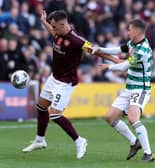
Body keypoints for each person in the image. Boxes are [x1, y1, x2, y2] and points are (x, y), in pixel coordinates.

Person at [22, 10, 116, 159]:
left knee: (55, 114)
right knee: (41, 106)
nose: (52, 28)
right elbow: (52, 32)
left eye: (54, 26)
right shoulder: (58, 33)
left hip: (65, 82)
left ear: (62, 24)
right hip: (54, 78)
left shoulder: (76, 40)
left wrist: (116, 61)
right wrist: (43, 22)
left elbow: (96, 51)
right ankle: (40, 140)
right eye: (51, 25)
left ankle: (80, 141)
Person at [91, 19, 155, 162]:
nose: (127, 32)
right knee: (110, 117)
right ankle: (134, 142)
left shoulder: (143, 49)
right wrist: (100, 49)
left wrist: (108, 67)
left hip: (141, 89)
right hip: (129, 88)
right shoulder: (133, 43)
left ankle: (148, 153)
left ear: (137, 31)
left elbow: (125, 66)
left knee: (133, 118)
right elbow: (118, 50)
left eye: (129, 29)